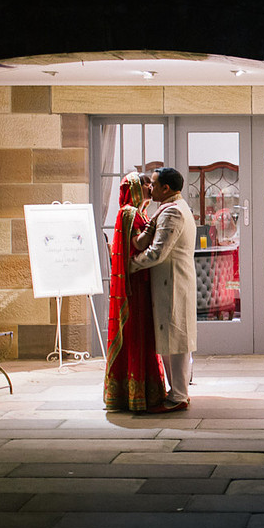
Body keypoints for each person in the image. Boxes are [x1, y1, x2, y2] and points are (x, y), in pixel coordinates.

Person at [130, 166, 197, 412]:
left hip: (173, 282)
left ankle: (179, 395)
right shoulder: (171, 208)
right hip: (170, 282)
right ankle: (175, 392)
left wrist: (131, 265)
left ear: (165, 188)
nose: (150, 187)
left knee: (177, 340)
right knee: (170, 339)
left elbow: (157, 253)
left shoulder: (173, 213)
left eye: (154, 184)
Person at [103, 172, 168, 411]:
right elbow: (136, 245)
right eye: (146, 184)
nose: (150, 187)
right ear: (135, 188)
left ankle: (145, 391)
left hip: (143, 278)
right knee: (136, 333)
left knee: (144, 333)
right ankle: (134, 395)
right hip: (135, 284)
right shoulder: (129, 212)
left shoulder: (139, 212)